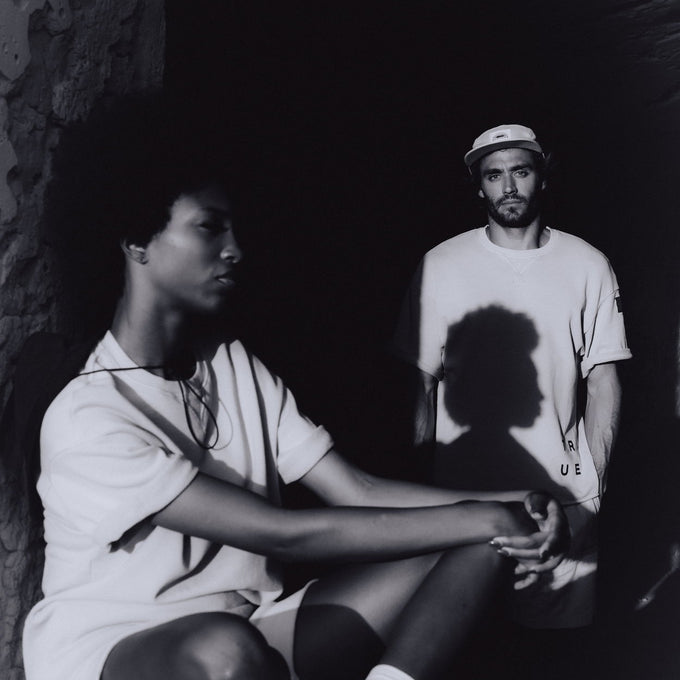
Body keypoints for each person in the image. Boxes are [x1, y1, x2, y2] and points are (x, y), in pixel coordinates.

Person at [21, 103, 569, 680]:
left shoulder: (229, 362)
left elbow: (356, 491)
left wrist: (519, 505)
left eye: (234, 228)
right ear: (137, 240)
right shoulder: (88, 416)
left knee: (482, 539)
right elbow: (284, 536)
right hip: (119, 652)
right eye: (210, 227)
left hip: (251, 633)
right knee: (225, 648)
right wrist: (484, 515)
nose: (235, 249)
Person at [392, 124, 632, 650]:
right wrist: (424, 497)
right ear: (479, 187)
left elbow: (603, 380)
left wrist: (593, 489)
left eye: (520, 171)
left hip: (563, 500)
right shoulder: (441, 264)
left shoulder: (588, 264)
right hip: (463, 503)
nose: (507, 187)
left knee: (552, 653)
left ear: (542, 177)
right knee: (466, 649)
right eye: (493, 175)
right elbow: (420, 384)